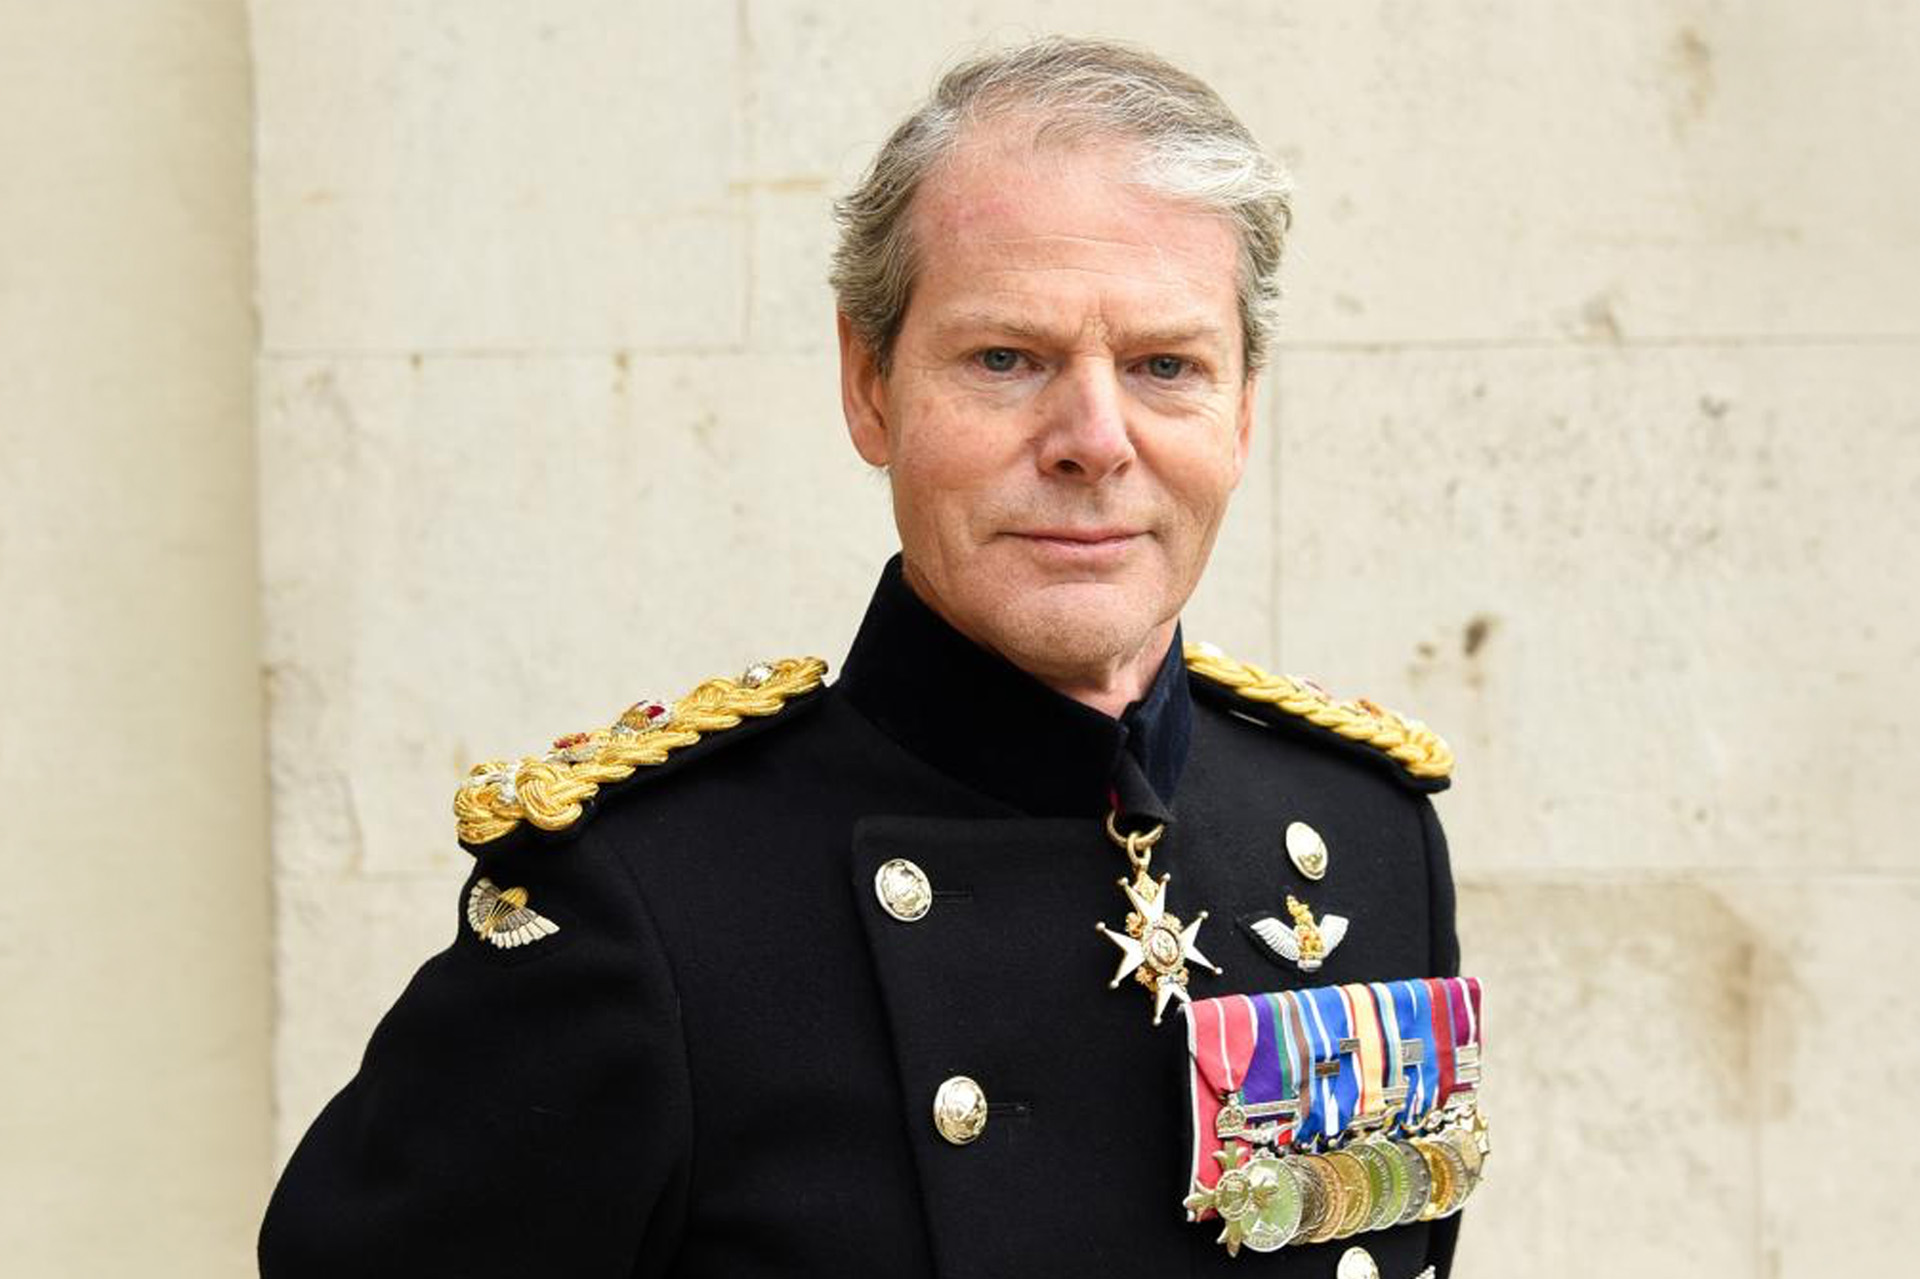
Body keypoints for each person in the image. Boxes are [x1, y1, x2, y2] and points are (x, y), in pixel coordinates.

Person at [259, 36, 1474, 1279]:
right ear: (869, 383)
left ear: (1243, 410)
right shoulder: (641, 902)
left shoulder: (1366, 837)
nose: (1095, 440)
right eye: (1006, 359)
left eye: (1167, 366)